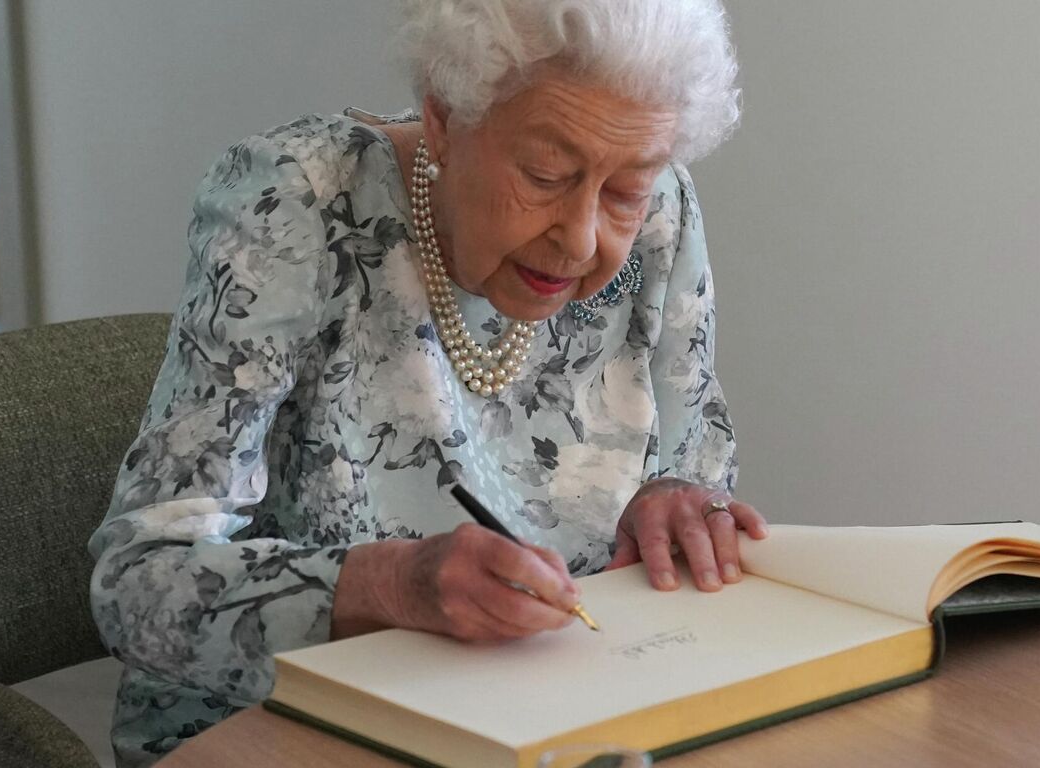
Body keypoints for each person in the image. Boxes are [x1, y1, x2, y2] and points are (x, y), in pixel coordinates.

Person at [84, 0, 758, 763]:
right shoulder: (296, 204)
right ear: (444, 119)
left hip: (557, 720)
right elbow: (138, 585)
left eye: (624, 193)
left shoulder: (660, 206)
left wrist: (673, 501)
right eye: (543, 175)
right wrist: (392, 587)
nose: (580, 238)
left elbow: (692, 461)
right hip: (290, 734)